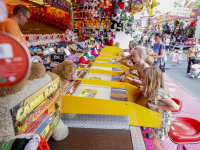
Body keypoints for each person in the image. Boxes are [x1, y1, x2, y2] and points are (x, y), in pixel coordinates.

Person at [141, 66, 179, 150]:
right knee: (155, 140)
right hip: (156, 119)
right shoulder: (150, 89)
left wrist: (157, 106)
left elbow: (175, 107)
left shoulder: (159, 92)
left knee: (155, 142)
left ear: (151, 80)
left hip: (163, 121)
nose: (141, 79)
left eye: (143, 78)